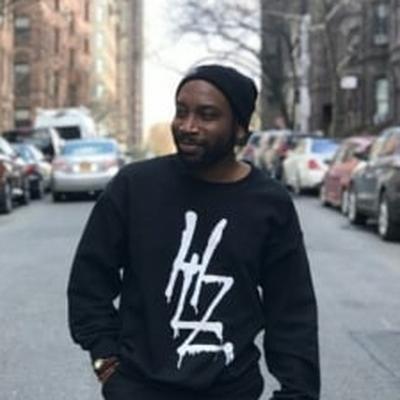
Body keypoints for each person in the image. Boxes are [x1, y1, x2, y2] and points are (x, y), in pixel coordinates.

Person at [67, 64, 320, 400]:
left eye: (207, 115)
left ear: (240, 129)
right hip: (138, 389)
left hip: (232, 391)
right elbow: (89, 281)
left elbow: (291, 308)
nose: (188, 126)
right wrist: (105, 358)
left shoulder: (268, 203)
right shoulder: (135, 187)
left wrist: (298, 392)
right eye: (181, 112)